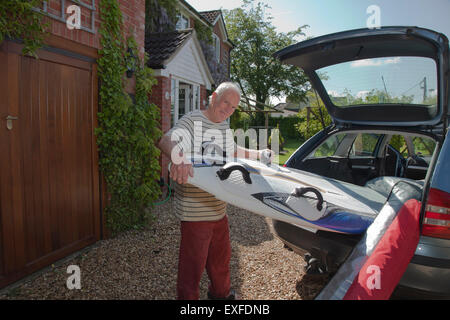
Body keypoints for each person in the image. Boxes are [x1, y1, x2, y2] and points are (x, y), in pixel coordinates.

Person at [158, 82, 273, 300]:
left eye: (233, 107)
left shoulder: (223, 126)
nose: (228, 109)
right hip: (195, 212)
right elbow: (166, 140)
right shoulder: (193, 120)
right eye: (225, 102)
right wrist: (179, 159)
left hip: (219, 208)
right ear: (213, 97)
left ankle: (221, 296)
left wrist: (259, 153)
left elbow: (234, 151)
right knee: (192, 269)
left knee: (221, 261)